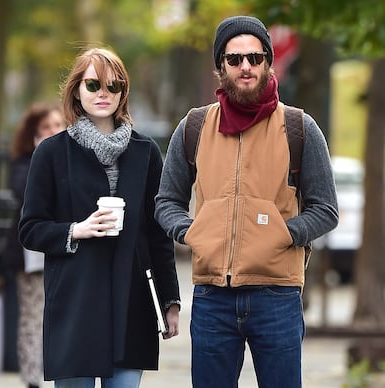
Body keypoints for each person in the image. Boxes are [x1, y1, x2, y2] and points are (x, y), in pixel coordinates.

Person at [154, 15, 339, 388]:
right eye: (235, 59)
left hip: (278, 295)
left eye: (255, 58)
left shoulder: (300, 128)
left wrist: (282, 234)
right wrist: (193, 233)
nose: (246, 67)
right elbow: (166, 201)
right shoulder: (194, 127)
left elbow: (326, 209)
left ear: (268, 62)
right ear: (220, 66)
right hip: (211, 298)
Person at [18, 46, 180, 388]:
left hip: (131, 300)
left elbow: (158, 233)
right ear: (76, 89)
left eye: (114, 85)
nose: (103, 93)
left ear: (123, 91)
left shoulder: (146, 151)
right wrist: (76, 230)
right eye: (93, 85)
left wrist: (170, 301)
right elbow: (30, 228)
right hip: (74, 300)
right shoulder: (51, 152)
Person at [0, 102, 65, 388]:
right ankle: (31, 378)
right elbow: (23, 193)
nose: (53, 132)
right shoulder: (24, 163)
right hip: (30, 254)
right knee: (31, 317)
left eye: (57, 126)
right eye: (46, 127)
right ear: (34, 134)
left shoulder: (72, 158)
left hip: (64, 248)